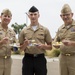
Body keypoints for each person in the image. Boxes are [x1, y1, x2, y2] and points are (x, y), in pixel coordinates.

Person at [19, 6, 52, 75]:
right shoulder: (24, 31)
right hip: (28, 59)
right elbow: (21, 49)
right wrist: (25, 44)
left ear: (38, 15)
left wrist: (43, 46)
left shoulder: (45, 30)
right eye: (31, 14)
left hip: (40, 59)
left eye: (35, 14)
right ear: (28, 16)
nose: (33, 16)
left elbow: (50, 47)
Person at [54, 4, 75, 75]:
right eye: (63, 15)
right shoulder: (60, 29)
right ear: (61, 16)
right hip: (62, 58)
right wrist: (56, 45)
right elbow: (56, 42)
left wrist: (71, 43)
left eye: (67, 14)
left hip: (73, 57)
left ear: (72, 14)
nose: (65, 17)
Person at [0, 9, 16, 75]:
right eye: (5, 16)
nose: (7, 18)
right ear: (1, 17)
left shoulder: (12, 32)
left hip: (8, 60)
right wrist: (1, 42)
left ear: (11, 18)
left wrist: (16, 47)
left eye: (9, 17)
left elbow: (14, 46)